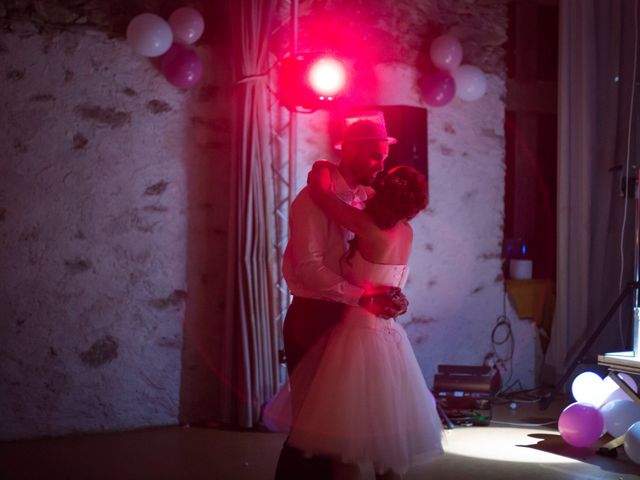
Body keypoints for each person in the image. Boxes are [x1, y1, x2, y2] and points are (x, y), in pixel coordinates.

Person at [283, 164, 444, 479]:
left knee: (346, 444)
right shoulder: (406, 233)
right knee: (387, 436)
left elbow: (325, 200)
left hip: (356, 336)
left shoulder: (368, 227)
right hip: (390, 337)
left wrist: (320, 173)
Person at [273, 119, 409, 480]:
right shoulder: (310, 199)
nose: (380, 165)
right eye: (374, 156)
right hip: (314, 316)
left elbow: (383, 253)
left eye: (384, 157)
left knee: (342, 425)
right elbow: (309, 269)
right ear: (348, 149)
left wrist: (390, 291)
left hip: (350, 318)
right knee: (310, 427)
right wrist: (363, 298)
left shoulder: (367, 199)